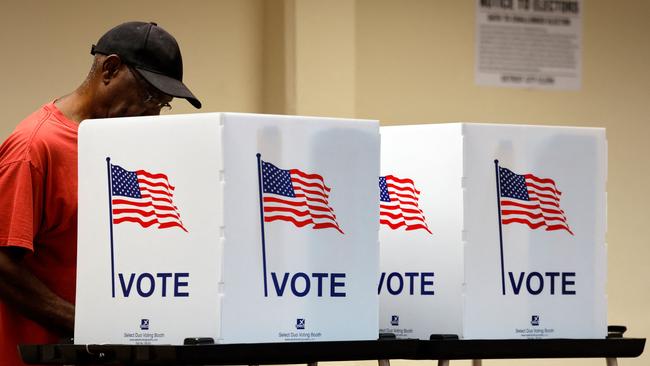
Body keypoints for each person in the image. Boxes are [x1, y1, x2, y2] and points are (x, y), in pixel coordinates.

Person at [0, 21, 201, 365]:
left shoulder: (122, 144)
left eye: (163, 104)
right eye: (150, 97)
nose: (153, 114)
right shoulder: (35, 147)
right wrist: (88, 328)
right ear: (110, 68)